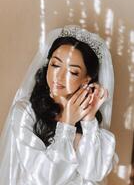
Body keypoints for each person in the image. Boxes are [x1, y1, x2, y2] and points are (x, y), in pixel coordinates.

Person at [0, 25, 118, 185]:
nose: (59, 76)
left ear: (87, 79)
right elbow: (45, 178)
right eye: (55, 65)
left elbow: (94, 173)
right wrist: (66, 125)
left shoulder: (89, 118)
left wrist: (89, 120)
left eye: (73, 72)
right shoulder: (25, 111)